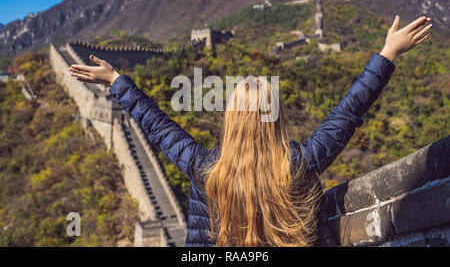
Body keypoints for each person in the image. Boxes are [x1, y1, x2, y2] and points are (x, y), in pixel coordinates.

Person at [68, 16, 432, 246]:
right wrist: (387, 54)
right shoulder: (299, 164)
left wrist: (116, 80)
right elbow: (347, 113)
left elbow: (159, 127)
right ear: (276, 119)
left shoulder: (204, 169)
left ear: (231, 119)